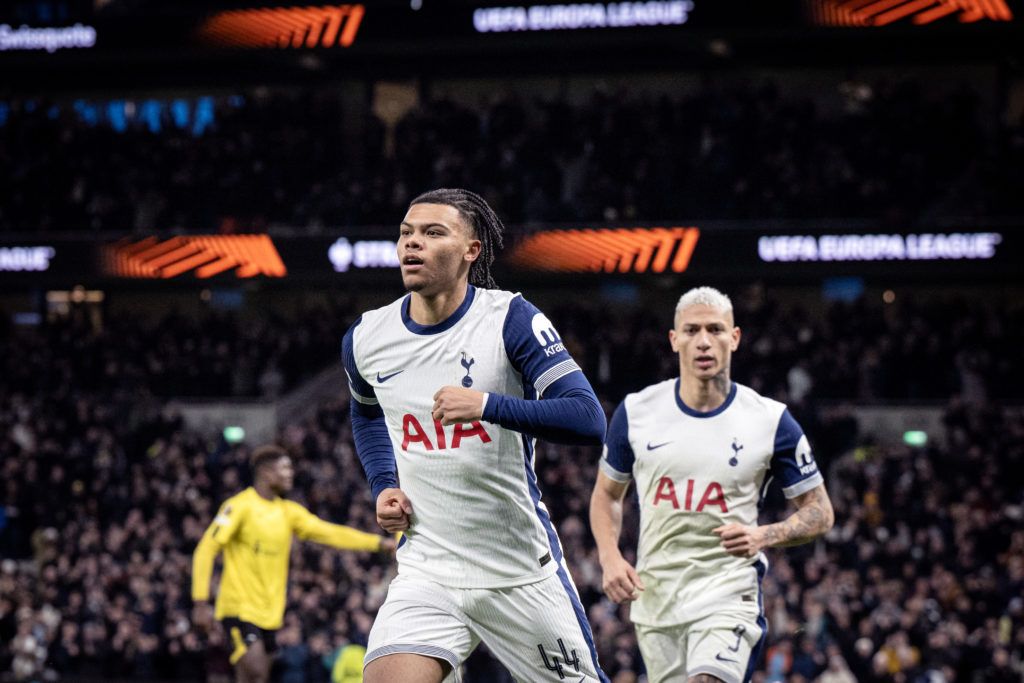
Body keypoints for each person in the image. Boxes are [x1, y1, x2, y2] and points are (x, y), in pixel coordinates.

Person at [342, 187, 609, 683]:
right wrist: (383, 484)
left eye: (432, 233)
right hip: (428, 571)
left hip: (519, 572)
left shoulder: (510, 319)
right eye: (406, 233)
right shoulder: (367, 337)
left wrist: (488, 406)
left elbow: (588, 418)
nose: (412, 244)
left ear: (472, 250)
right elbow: (366, 414)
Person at [589, 286, 834, 683]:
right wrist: (610, 557)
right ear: (674, 340)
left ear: (734, 338)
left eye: (716, 330)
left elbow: (820, 512)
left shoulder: (771, 421)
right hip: (657, 601)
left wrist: (763, 535)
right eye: (691, 330)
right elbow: (606, 496)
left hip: (728, 594)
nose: (703, 341)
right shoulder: (636, 411)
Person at [192, 444, 396, 683]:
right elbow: (206, 549)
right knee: (257, 673)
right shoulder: (239, 507)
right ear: (267, 472)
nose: (291, 473)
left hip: (270, 613)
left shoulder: (288, 512)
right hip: (238, 608)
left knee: (250, 678)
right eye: (285, 468)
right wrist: (200, 602)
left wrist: (377, 543)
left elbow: (328, 532)